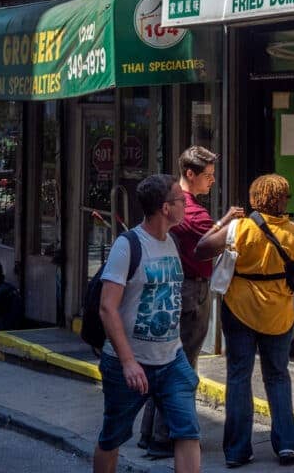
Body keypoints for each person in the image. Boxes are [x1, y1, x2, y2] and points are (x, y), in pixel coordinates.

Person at [196, 174, 294, 469]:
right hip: (279, 316)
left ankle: (236, 451)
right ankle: (286, 445)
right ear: (282, 199)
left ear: (255, 198)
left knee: (238, 377)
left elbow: (202, 248)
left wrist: (222, 222)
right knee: (278, 377)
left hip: (239, 311)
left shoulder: (240, 228)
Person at [140, 146, 244, 459]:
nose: (212, 181)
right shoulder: (189, 212)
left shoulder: (180, 208)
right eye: (208, 176)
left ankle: (153, 434)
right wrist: (230, 222)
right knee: (182, 365)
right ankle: (166, 435)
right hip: (190, 290)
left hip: (177, 288)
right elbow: (208, 245)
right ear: (190, 174)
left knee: (168, 361)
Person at [93, 174, 200, 473]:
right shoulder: (127, 246)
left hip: (171, 359)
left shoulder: (173, 241)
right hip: (128, 363)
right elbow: (107, 307)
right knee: (112, 438)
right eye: (181, 200)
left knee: (188, 432)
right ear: (166, 208)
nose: (186, 206)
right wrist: (128, 363)